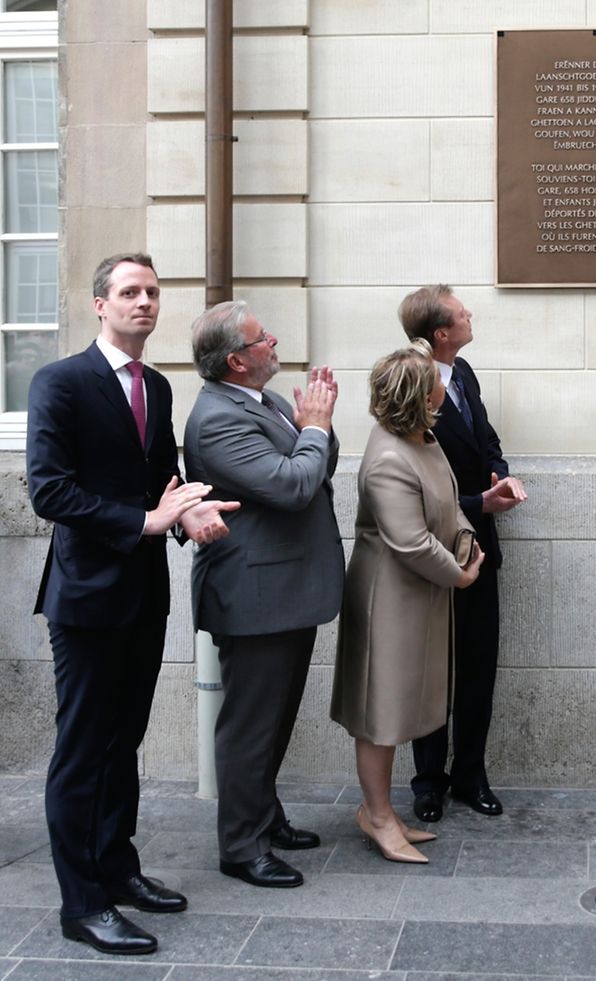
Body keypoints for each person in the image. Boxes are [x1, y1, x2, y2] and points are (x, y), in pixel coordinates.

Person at [26, 253, 237, 955]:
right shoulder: (60, 382)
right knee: (83, 751)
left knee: (125, 744)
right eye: (128, 292)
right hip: (85, 598)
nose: (143, 302)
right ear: (100, 304)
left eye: (151, 291)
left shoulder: (158, 386)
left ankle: (117, 868)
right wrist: (143, 521)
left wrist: (187, 511)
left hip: (145, 593)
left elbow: (160, 477)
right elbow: (49, 490)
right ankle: (81, 903)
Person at [184, 300, 344, 889]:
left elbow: (317, 465)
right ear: (235, 360)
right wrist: (316, 429)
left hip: (288, 588)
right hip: (254, 594)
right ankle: (240, 846)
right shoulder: (216, 418)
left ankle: (265, 817)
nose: (274, 341)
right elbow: (295, 484)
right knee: (250, 726)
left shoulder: (267, 401)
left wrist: (314, 428)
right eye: (262, 338)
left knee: (274, 719)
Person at [331, 341, 486, 862]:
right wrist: (460, 577)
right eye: (435, 379)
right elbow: (411, 541)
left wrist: (466, 542)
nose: (446, 382)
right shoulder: (390, 457)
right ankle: (376, 817)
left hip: (419, 594)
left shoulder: (425, 438)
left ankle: (382, 812)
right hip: (388, 602)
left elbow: (447, 503)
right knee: (380, 712)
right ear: (421, 395)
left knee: (399, 707)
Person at [398, 286, 527, 822]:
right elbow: (413, 481)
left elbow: (486, 437)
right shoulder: (410, 382)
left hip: (480, 546)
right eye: (460, 313)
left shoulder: (465, 372)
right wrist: (480, 501)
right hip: (434, 551)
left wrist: (502, 474)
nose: (470, 314)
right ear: (439, 333)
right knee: (433, 671)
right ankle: (428, 782)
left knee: (477, 667)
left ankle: (470, 775)